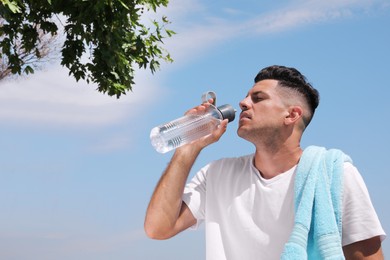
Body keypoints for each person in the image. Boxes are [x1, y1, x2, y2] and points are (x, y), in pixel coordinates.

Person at [144, 65, 386, 259]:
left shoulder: (334, 174)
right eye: (246, 96)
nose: (243, 103)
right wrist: (187, 147)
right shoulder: (216, 175)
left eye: (257, 98)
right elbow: (158, 228)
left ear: (291, 115)